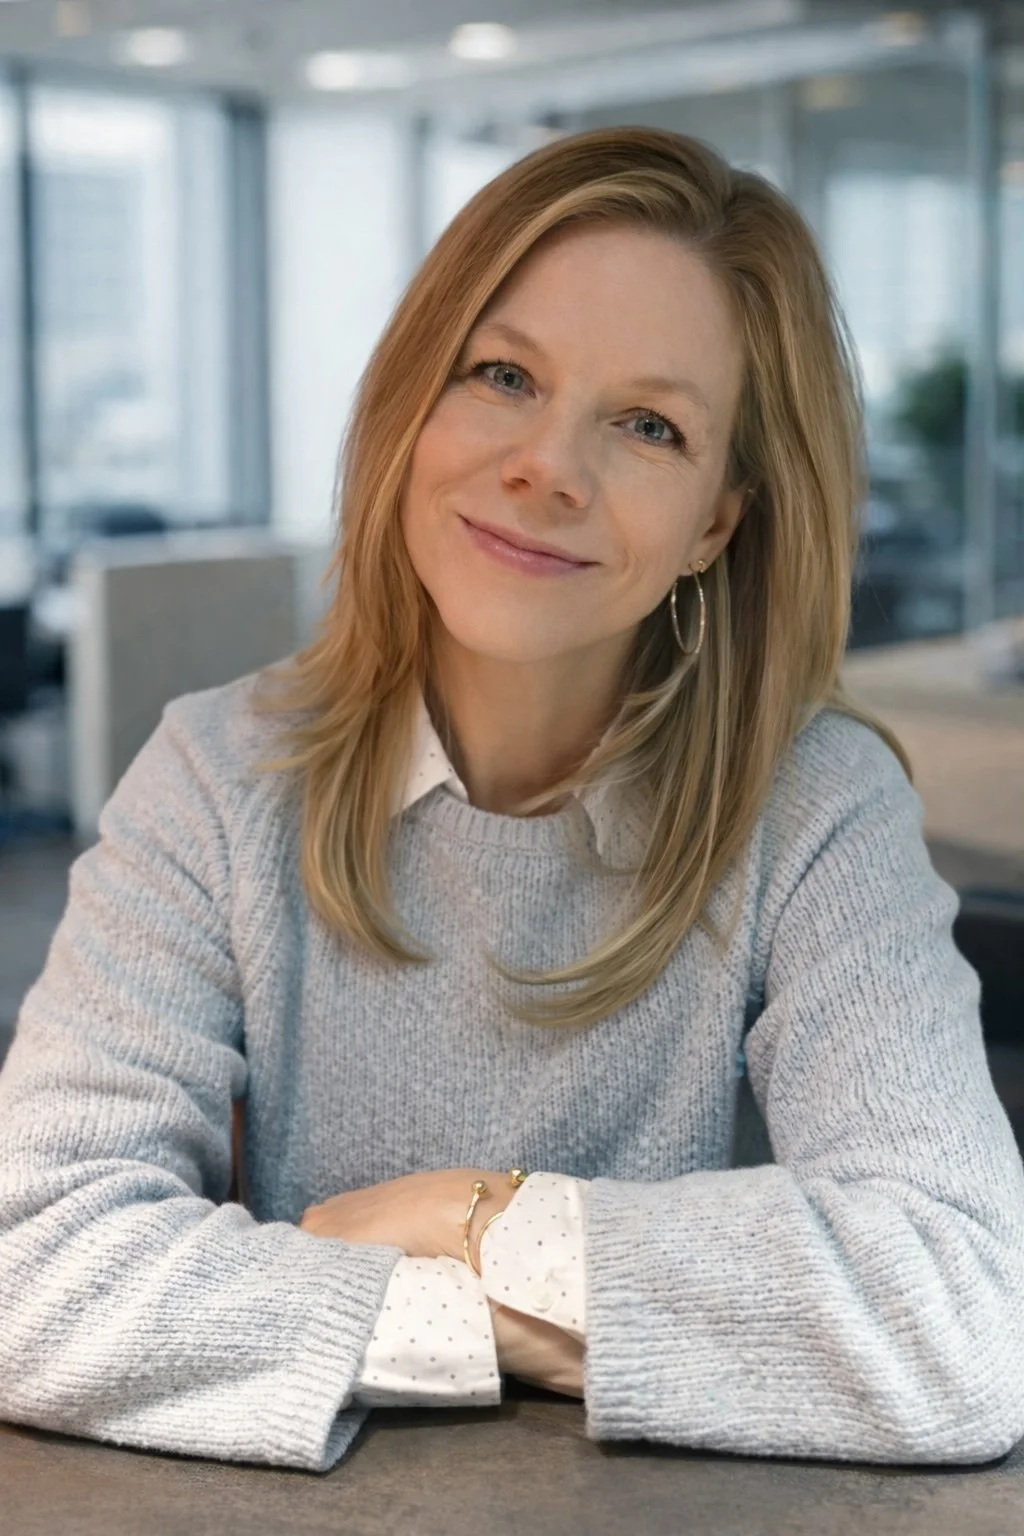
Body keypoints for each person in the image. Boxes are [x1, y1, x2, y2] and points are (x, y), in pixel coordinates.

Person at [1, 126, 1022, 1476]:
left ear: (716, 525)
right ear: (414, 404)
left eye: (649, 426)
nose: (549, 466)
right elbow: (33, 1264)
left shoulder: (816, 806)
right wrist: (470, 1312)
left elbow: (961, 1313)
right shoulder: (218, 774)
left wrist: (473, 1218)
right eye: (503, 375)